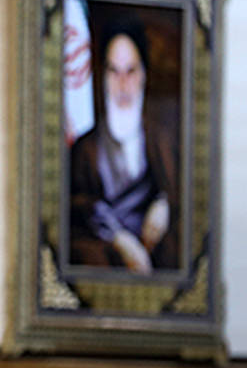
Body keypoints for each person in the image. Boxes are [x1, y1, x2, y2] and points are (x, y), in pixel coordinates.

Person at [68, 16, 179, 273]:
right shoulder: (84, 150)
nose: (123, 85)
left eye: (131, 71)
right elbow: (77, 210)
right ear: (103, 77)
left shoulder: (163, 142)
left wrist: (164, 204)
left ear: (144, 75)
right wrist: (119, 240)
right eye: (114, 71)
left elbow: (183, 196)